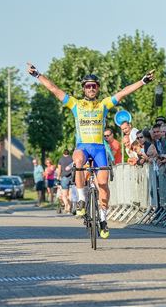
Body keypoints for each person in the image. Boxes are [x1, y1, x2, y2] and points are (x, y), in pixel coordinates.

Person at [27, 62, 154, 239]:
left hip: (99, 148)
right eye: (88, 86)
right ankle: (81, 199)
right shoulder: (75, 105)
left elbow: (123, 92)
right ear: (84, 89)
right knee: (78, 160)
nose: (91, 88)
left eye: (94, 86)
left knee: (102, 184)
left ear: (98, 88)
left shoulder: (103, 105)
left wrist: (143, 81)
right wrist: (37, 75)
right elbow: (55, 90)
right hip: (83, 147)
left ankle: (102, 218)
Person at [56, 149, 73, 214]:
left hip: (64, 177)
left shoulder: (61, 160)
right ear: (69, 153)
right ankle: (69, 208)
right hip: (72, 177)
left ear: (63, 153)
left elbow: (59, 170)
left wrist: (58, 177)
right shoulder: (72, 159)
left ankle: (66, 204)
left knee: (64, 195)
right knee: (70, 194)